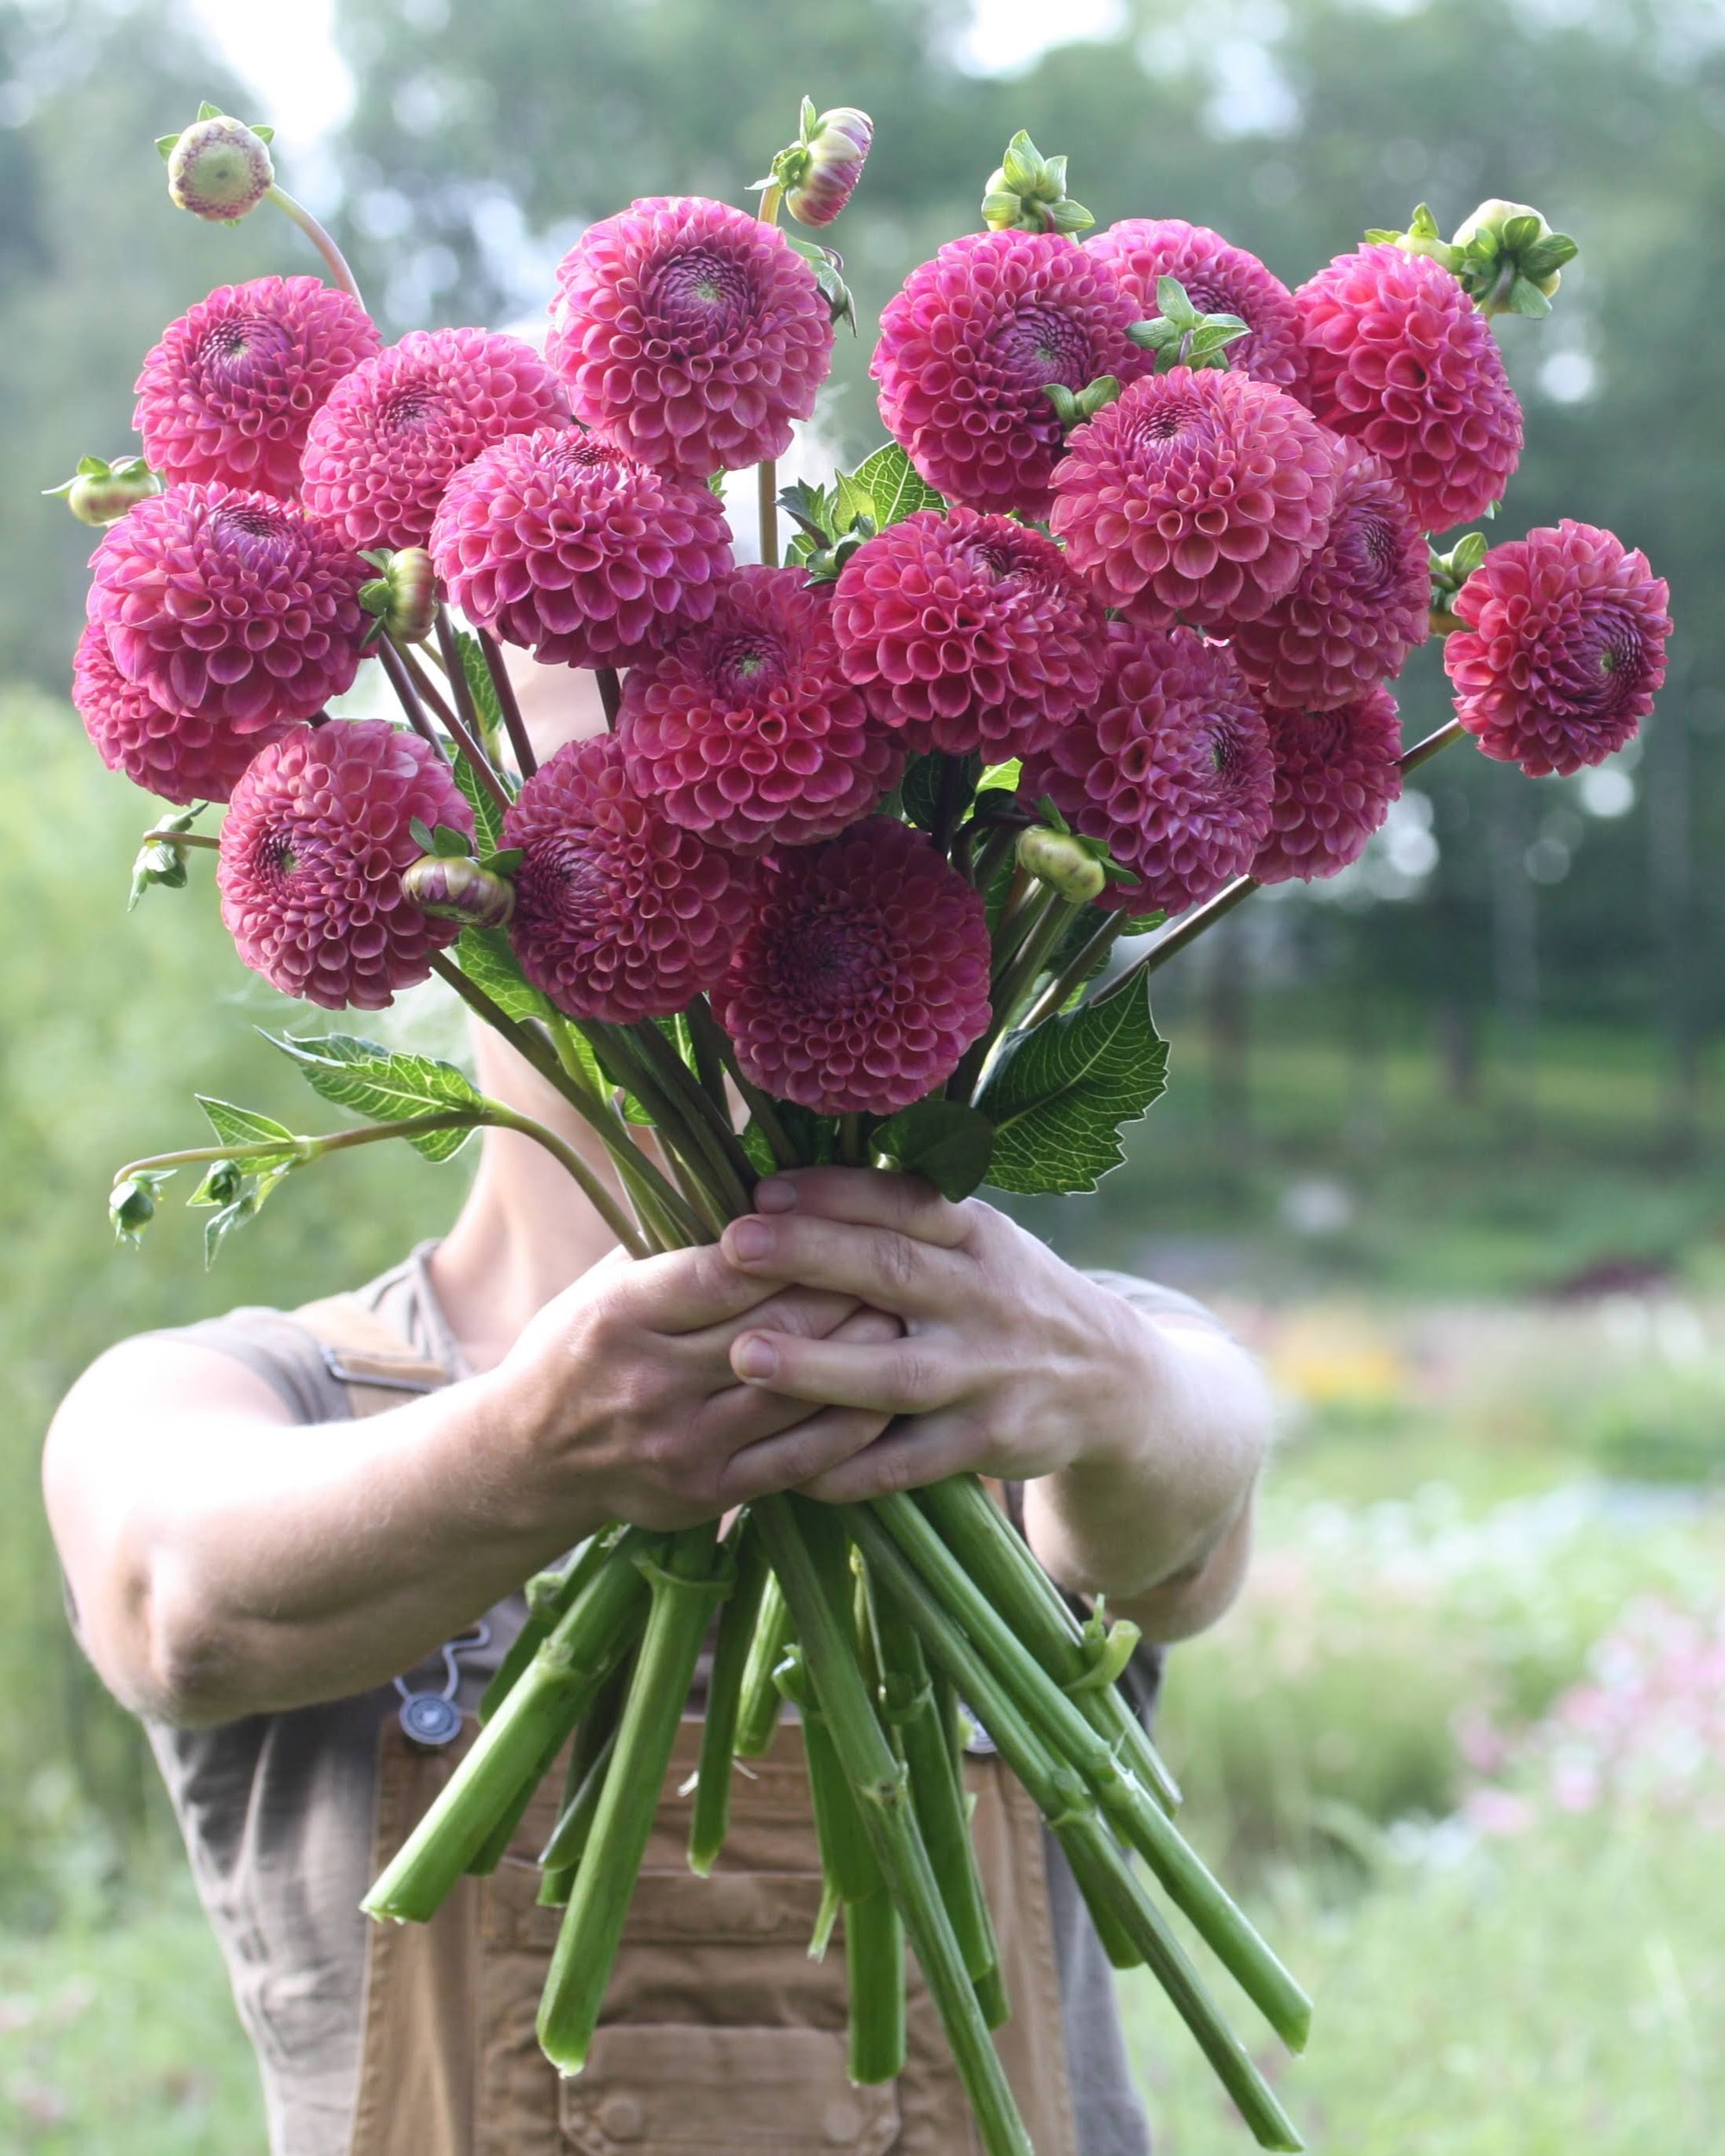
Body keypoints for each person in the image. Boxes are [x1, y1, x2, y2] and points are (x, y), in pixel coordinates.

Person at [42, 668, 1273, 2156]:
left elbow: (1184, 1513)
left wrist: (1117, 1389)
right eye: (601, 807)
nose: (701, 868)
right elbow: (174, 1596)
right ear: (434, 872)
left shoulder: (1016, 1361)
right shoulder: (267, 1391)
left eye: (775, 812)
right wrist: (523, 1453)